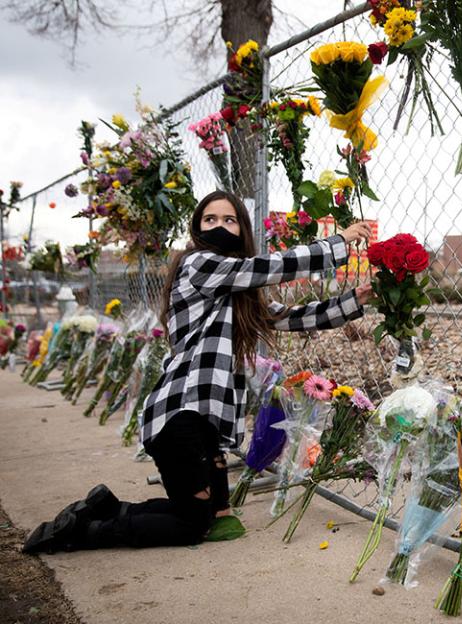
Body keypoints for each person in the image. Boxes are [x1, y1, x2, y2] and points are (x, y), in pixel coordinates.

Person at [23, 190, 372, 554]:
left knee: (215, 514)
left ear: (241, 229)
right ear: (198, 228)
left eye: (229, 220)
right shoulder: (200, 264)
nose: (219, 226)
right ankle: (83, 533)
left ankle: (106, 508)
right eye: (210, 220)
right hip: (179, 414)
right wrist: (338, 242)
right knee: (192, 525)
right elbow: (271, 267)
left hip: (204, 422)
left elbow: (292, 317)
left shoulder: (238, 291)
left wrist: (353, 302)